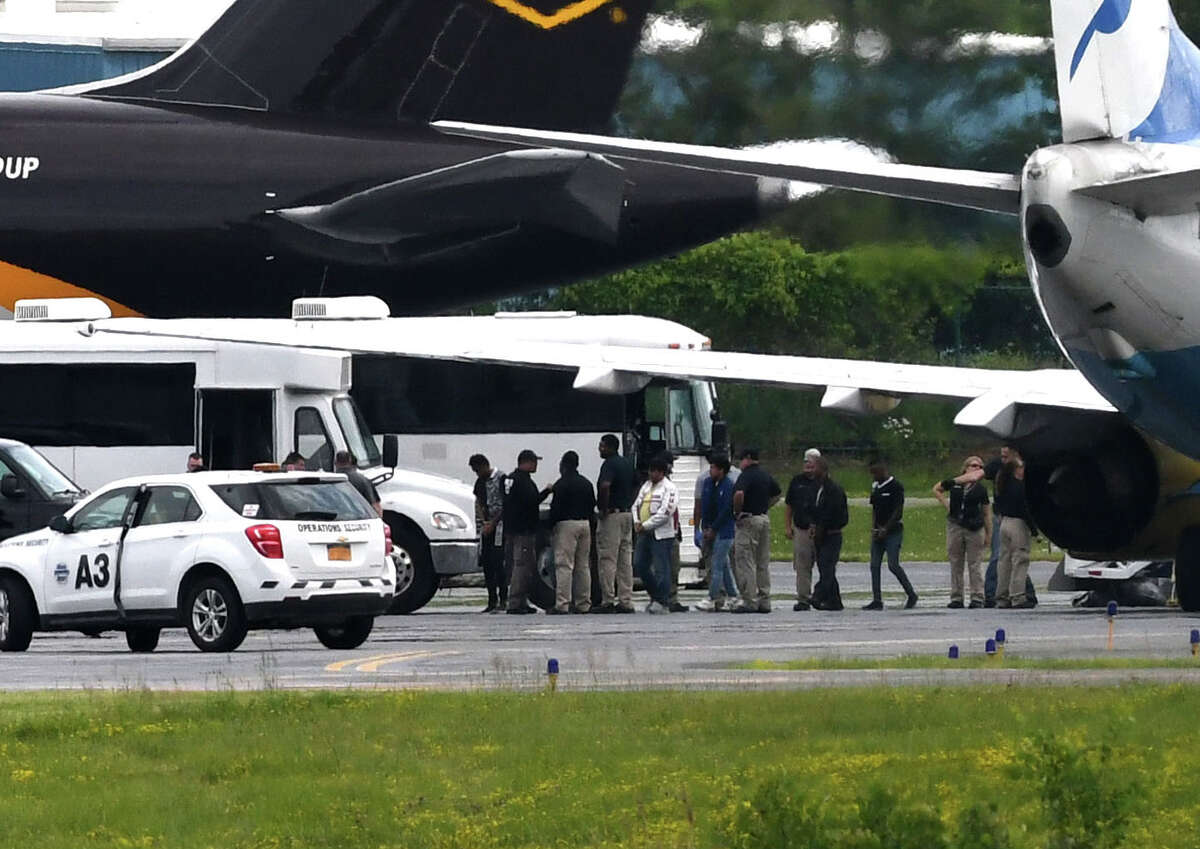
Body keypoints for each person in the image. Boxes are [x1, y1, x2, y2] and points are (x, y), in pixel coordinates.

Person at [933, 456, 991, 609]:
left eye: (980, 467)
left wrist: (988, 533)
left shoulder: (981, 489)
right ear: (965, 468)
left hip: (974, 527)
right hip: (955, 525)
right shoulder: (955, 484)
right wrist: (948, 506)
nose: (976, 469)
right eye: (973, 466)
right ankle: (957, 596)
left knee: (975, 563)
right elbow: (937, 489)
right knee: (956, 562)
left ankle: (977, 596)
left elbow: (986, 512)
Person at [731, 447, 781, 613]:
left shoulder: (746, 475)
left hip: (748, 520)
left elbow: (739, 493)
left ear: (747, 458)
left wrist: (737, 512)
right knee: (762, 562)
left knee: (745, 560)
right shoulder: (764, 474)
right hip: (763, 519)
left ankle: (749, 600)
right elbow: (777, 494)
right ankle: (764, 600)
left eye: (741, 459)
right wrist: (765, 507)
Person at [864, 458, 918, 610]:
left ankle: (911, 593)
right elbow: (874, 508)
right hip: (878, 531)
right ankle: (877, 599)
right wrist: (873, 528)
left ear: (884, 470)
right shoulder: (875, 487)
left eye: (875, 473)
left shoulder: (896, 486)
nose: (873, 476)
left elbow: (898, 511)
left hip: (893, 531)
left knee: (893, 565)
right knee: (874, 565)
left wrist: (886, 529)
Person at [547, 450, 595, 615]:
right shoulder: (586, 483)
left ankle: (562, 603)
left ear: (564, 465)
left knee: (564, 565)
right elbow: (592, 505)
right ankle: (583, 603)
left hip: (566, 525)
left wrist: (551, 527)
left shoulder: (561, 484)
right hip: (585, 524)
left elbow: (556, 509)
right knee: (583, 566)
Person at [594, 434, 636, 614]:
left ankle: (608, 600)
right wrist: (630, 502)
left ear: (610, 447)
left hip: (612, 515)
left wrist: (603, 508)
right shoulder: (627, 463)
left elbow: (605, 486)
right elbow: (637, 485)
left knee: (608, 558)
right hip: (627, 513)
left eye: (602, 446)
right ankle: (626, 599)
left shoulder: (609, 464)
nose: (600, 449)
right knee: (625, 559)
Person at [631, 456, 678, 613]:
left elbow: (665, 512)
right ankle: (656, 595)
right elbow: (636, 505)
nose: (651, 474)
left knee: (661, 568)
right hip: (643, 532)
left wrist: (646, 525)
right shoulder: (646, 486)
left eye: (655, 471)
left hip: (661, 534)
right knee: (639, 564)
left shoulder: (669, 488)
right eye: (650, 471)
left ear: (662, 472)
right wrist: (637, 522)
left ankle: (662, 601)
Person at [993, 453, 1038, 609]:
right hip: (1018, 524)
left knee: (1004, 561)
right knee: (1020, 560)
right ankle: (1018, 596)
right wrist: (1034, 530)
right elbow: (1025, 510)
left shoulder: (1002, 485)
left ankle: (1002, 596)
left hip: (1004, 523)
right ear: (1016, 470)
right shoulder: (1020, 487)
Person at [695, 455, 739, 611]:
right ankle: (733, 595)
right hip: (709, 528)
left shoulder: (728, 486)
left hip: (724, 530)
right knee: (724, 565)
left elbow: (726, 511)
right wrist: (704, 527)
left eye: (713, 467)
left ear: (721, 470)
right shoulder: (708, 484)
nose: (710, 470)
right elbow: (705, 507)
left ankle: (712, 597)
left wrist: (714, 528)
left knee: (717, 564)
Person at [503, 449, 542, 614]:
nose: (536, 465)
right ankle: (515, 602)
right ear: (526, 462)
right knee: (522, 566)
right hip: (523, 530)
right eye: (534, 462)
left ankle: (521, 601)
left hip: (513, 528)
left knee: (522, 564)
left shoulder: (509, 479)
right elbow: (532, 501)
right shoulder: (523, 481)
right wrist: (547, 491)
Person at [469, 453, 507, 614]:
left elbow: (505, 504)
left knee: (499, 563)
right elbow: (478, 502)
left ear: (485, 466)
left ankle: (503, 598)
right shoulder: (480, 482)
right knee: (487, 563)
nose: (477, 474)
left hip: (499, 526)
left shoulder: (501, 479)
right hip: (486, 528)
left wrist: (493, 522)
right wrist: (483, 523)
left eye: (478, 470)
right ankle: (492, 599)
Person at [784, 448, 821, 611]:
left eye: (811, 462)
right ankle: (803, 598)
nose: (808, 465)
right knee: (802, 566)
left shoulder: (823, 482)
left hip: (820, 530)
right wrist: (787, 526)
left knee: (824, 565)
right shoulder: (796, 481)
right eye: (806, 462)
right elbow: (789, 505)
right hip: (801, 529)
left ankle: (822, 596)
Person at [808, 456, 847, 611]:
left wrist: (822, 528)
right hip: (821, 535)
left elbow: (834, 514)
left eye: (814, 468)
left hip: (831, 534)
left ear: (823, 470)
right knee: (825, 567)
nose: (812, 471)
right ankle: (834, 601)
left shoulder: (834, 490)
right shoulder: (819, 488)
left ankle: (818, 594)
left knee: (827, 567)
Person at [335, 450, 382, 517]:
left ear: (335, 462)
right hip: (360, 519)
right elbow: (376, 506)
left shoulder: (330, 481)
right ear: (350, 461)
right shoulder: (363, 480)